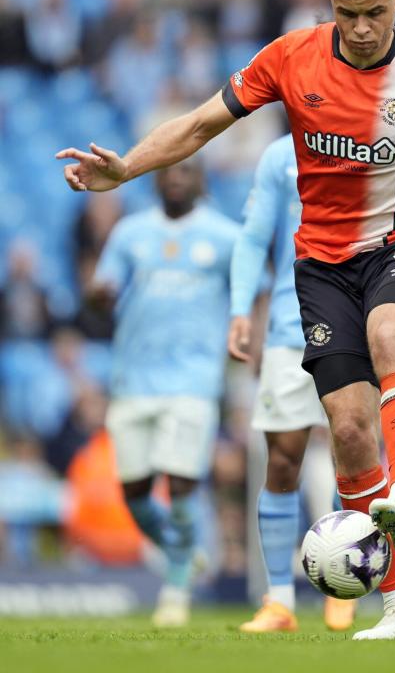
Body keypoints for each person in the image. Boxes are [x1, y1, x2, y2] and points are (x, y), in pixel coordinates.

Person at [57, 0, 395, 641]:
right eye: (348, 14)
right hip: (320, 266)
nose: (360, 28)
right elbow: (201, 125)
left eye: (375, 13)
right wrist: (126, 169)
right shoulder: (289, 58)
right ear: (329, 2)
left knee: (392, 334)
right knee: (350, 433)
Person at [90, 159, 239, 627]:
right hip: (133, 377)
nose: (177, 178)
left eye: (188, 172)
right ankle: (185, 551)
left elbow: (247, 291)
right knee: (134, 492)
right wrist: (99, 296)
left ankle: (175, 590)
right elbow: (103, 286)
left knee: (180, 483)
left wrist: (245, 331)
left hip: (194, 380)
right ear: (156, 180)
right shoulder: (130, 233)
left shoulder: (224, 236)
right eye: (170, 172)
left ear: (202, 180)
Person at [229, 135, 353, 633]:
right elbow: (255, 237)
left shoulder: (377, 140)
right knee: (282, 458)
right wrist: (241, 308)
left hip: (357, 319)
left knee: (354, 451)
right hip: (289, 322)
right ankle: (279, 598)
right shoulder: (281, 154)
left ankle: (345, 583)